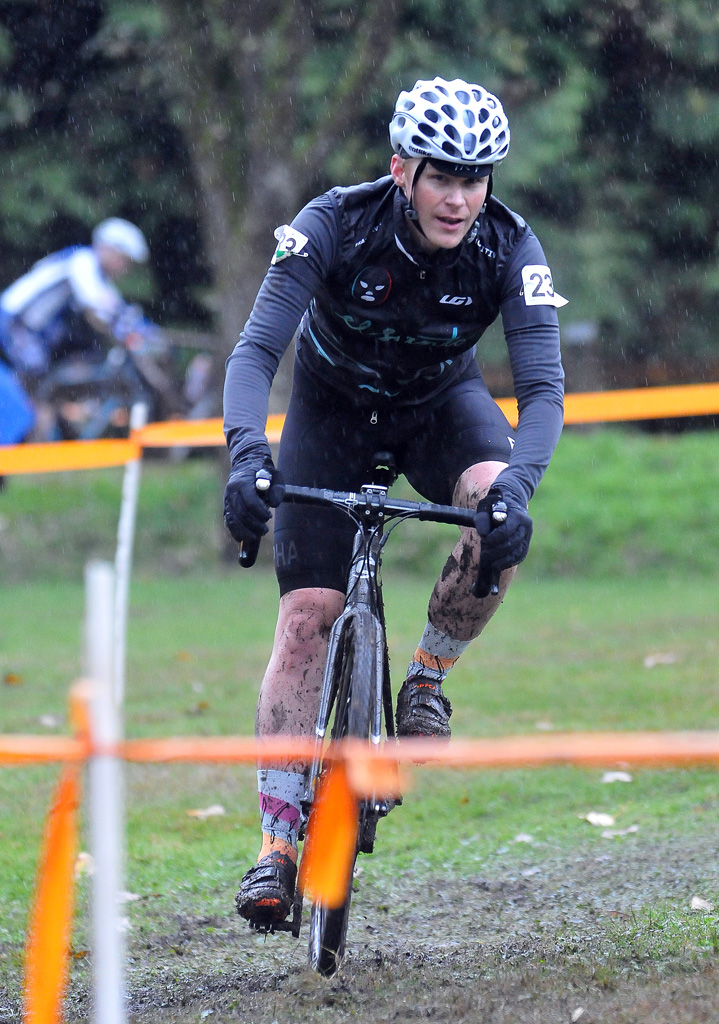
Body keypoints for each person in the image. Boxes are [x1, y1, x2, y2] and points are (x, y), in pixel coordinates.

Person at [222, 76, 566, 926]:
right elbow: (256, 349)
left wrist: (516, 490)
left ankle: (426, 677)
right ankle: (276, 844)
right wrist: (246, 457)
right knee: (307, 615)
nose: (458, 198)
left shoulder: (510, 245)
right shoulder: (333, 222)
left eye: (475, 178)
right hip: (331, 411)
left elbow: (543, 390)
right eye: (442, 176)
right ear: (401, 169)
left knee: (494, 507)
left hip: (439, 409)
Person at [0, 217, 149, 442]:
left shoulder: (95, 272)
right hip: (15, 321)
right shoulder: (83, 260)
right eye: (125, 260)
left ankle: (34, 434)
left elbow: (114, 308)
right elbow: (98, 306)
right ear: (110, 250)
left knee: (43, 385)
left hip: (32, 330)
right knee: (35, 386)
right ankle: (27, 437)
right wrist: (128, 332)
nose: (125, 268)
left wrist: (137, 329)